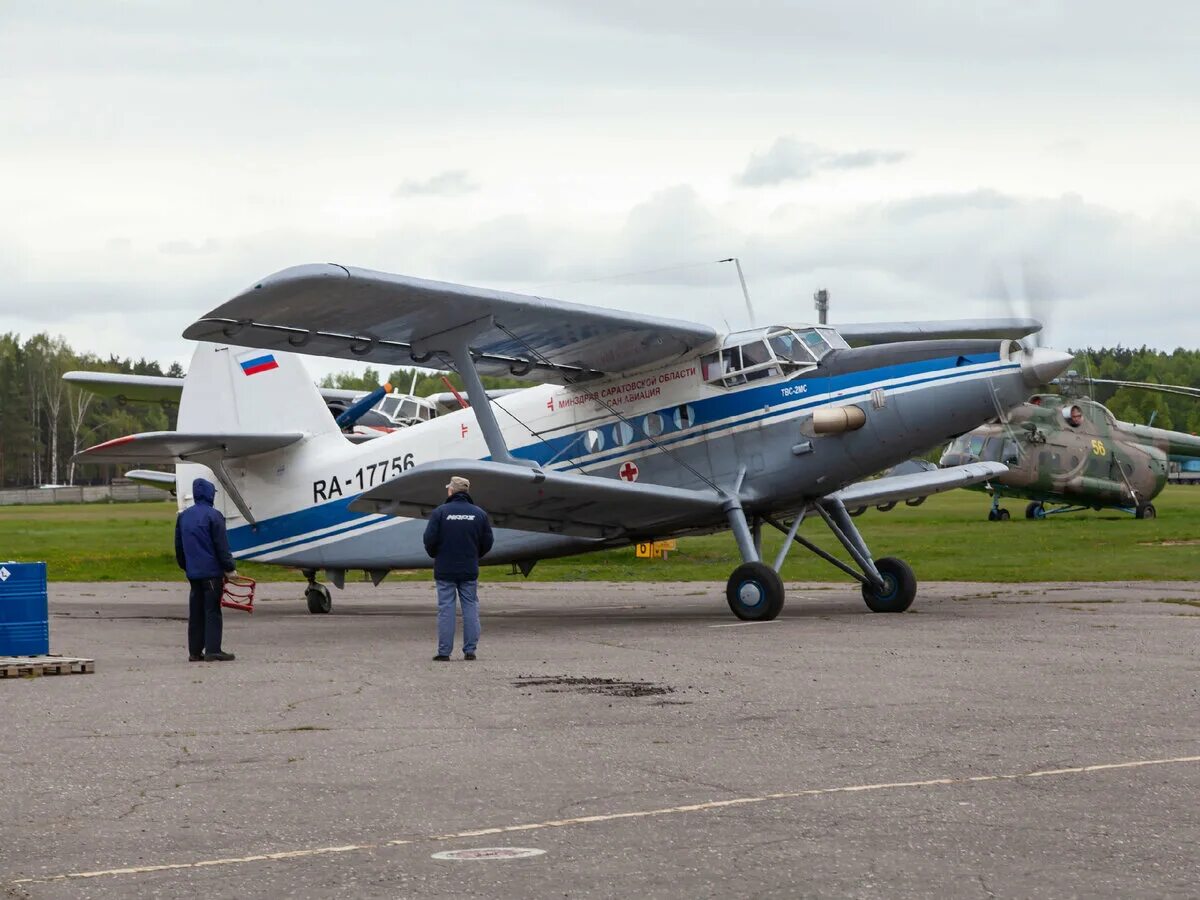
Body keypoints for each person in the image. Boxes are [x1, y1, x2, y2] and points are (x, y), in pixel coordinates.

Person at [423, 475, 494, 661]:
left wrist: (435, 554)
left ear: (451, 491)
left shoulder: (440, 512)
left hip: (445, 569)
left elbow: (429, 540)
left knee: (446, 609)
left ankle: (444, 652)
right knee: (470, 607)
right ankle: (470, 650)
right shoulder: (479, 514)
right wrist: (474, 555)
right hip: (469, 568)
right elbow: (488, 541)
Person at [174, 477, 238, 662]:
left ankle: (194, 651)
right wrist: (230, 567)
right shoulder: (214, 516)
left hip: (193, 573)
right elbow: (221, 546)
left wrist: (186, 566)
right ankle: (213, 650)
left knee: (196, 612)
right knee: (212, 611)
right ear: (210, 494)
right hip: (211, 573)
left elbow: (179, 547)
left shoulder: (183, 516)